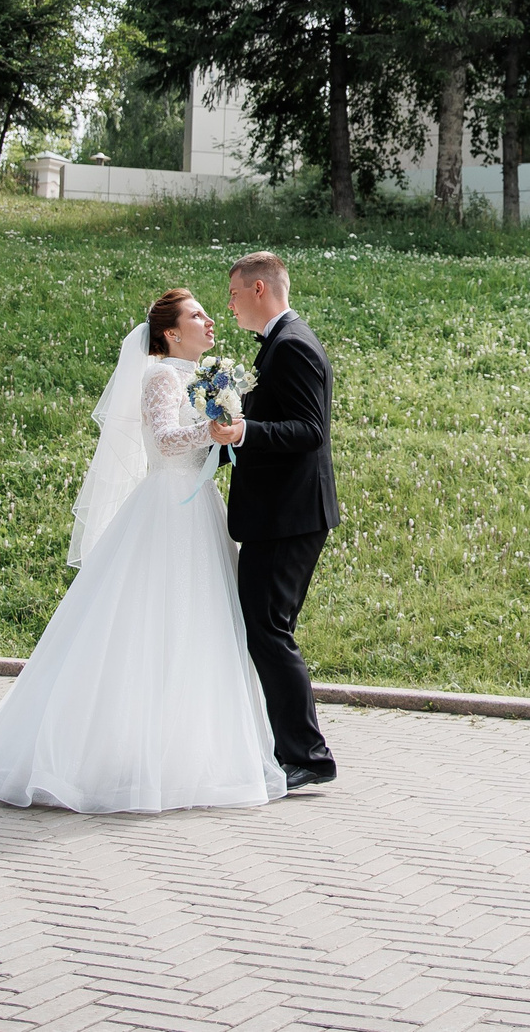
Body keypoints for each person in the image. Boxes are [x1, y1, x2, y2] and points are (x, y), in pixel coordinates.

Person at [0, 288, 286, 813]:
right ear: (171, 333)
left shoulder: (201, 374)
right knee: (149, 622)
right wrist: (216, 429)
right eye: (197, 315)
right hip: (167, 507)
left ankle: (189, 749)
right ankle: (117, 755)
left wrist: (220, 427)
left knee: (201, 623)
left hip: (198, 509)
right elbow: (167, 440)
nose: (210, 320)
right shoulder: (159, 377)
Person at [209, 250, 340, 789]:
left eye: (234, 294)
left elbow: (310, 430)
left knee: (269, 630)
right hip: (279, 514)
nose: (231, 305)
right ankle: (289, 747)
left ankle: (308, 756)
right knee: (266, 629)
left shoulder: (293, 345)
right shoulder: (281, 345)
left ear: (259, 290)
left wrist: (244, 433)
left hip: (289, 517)